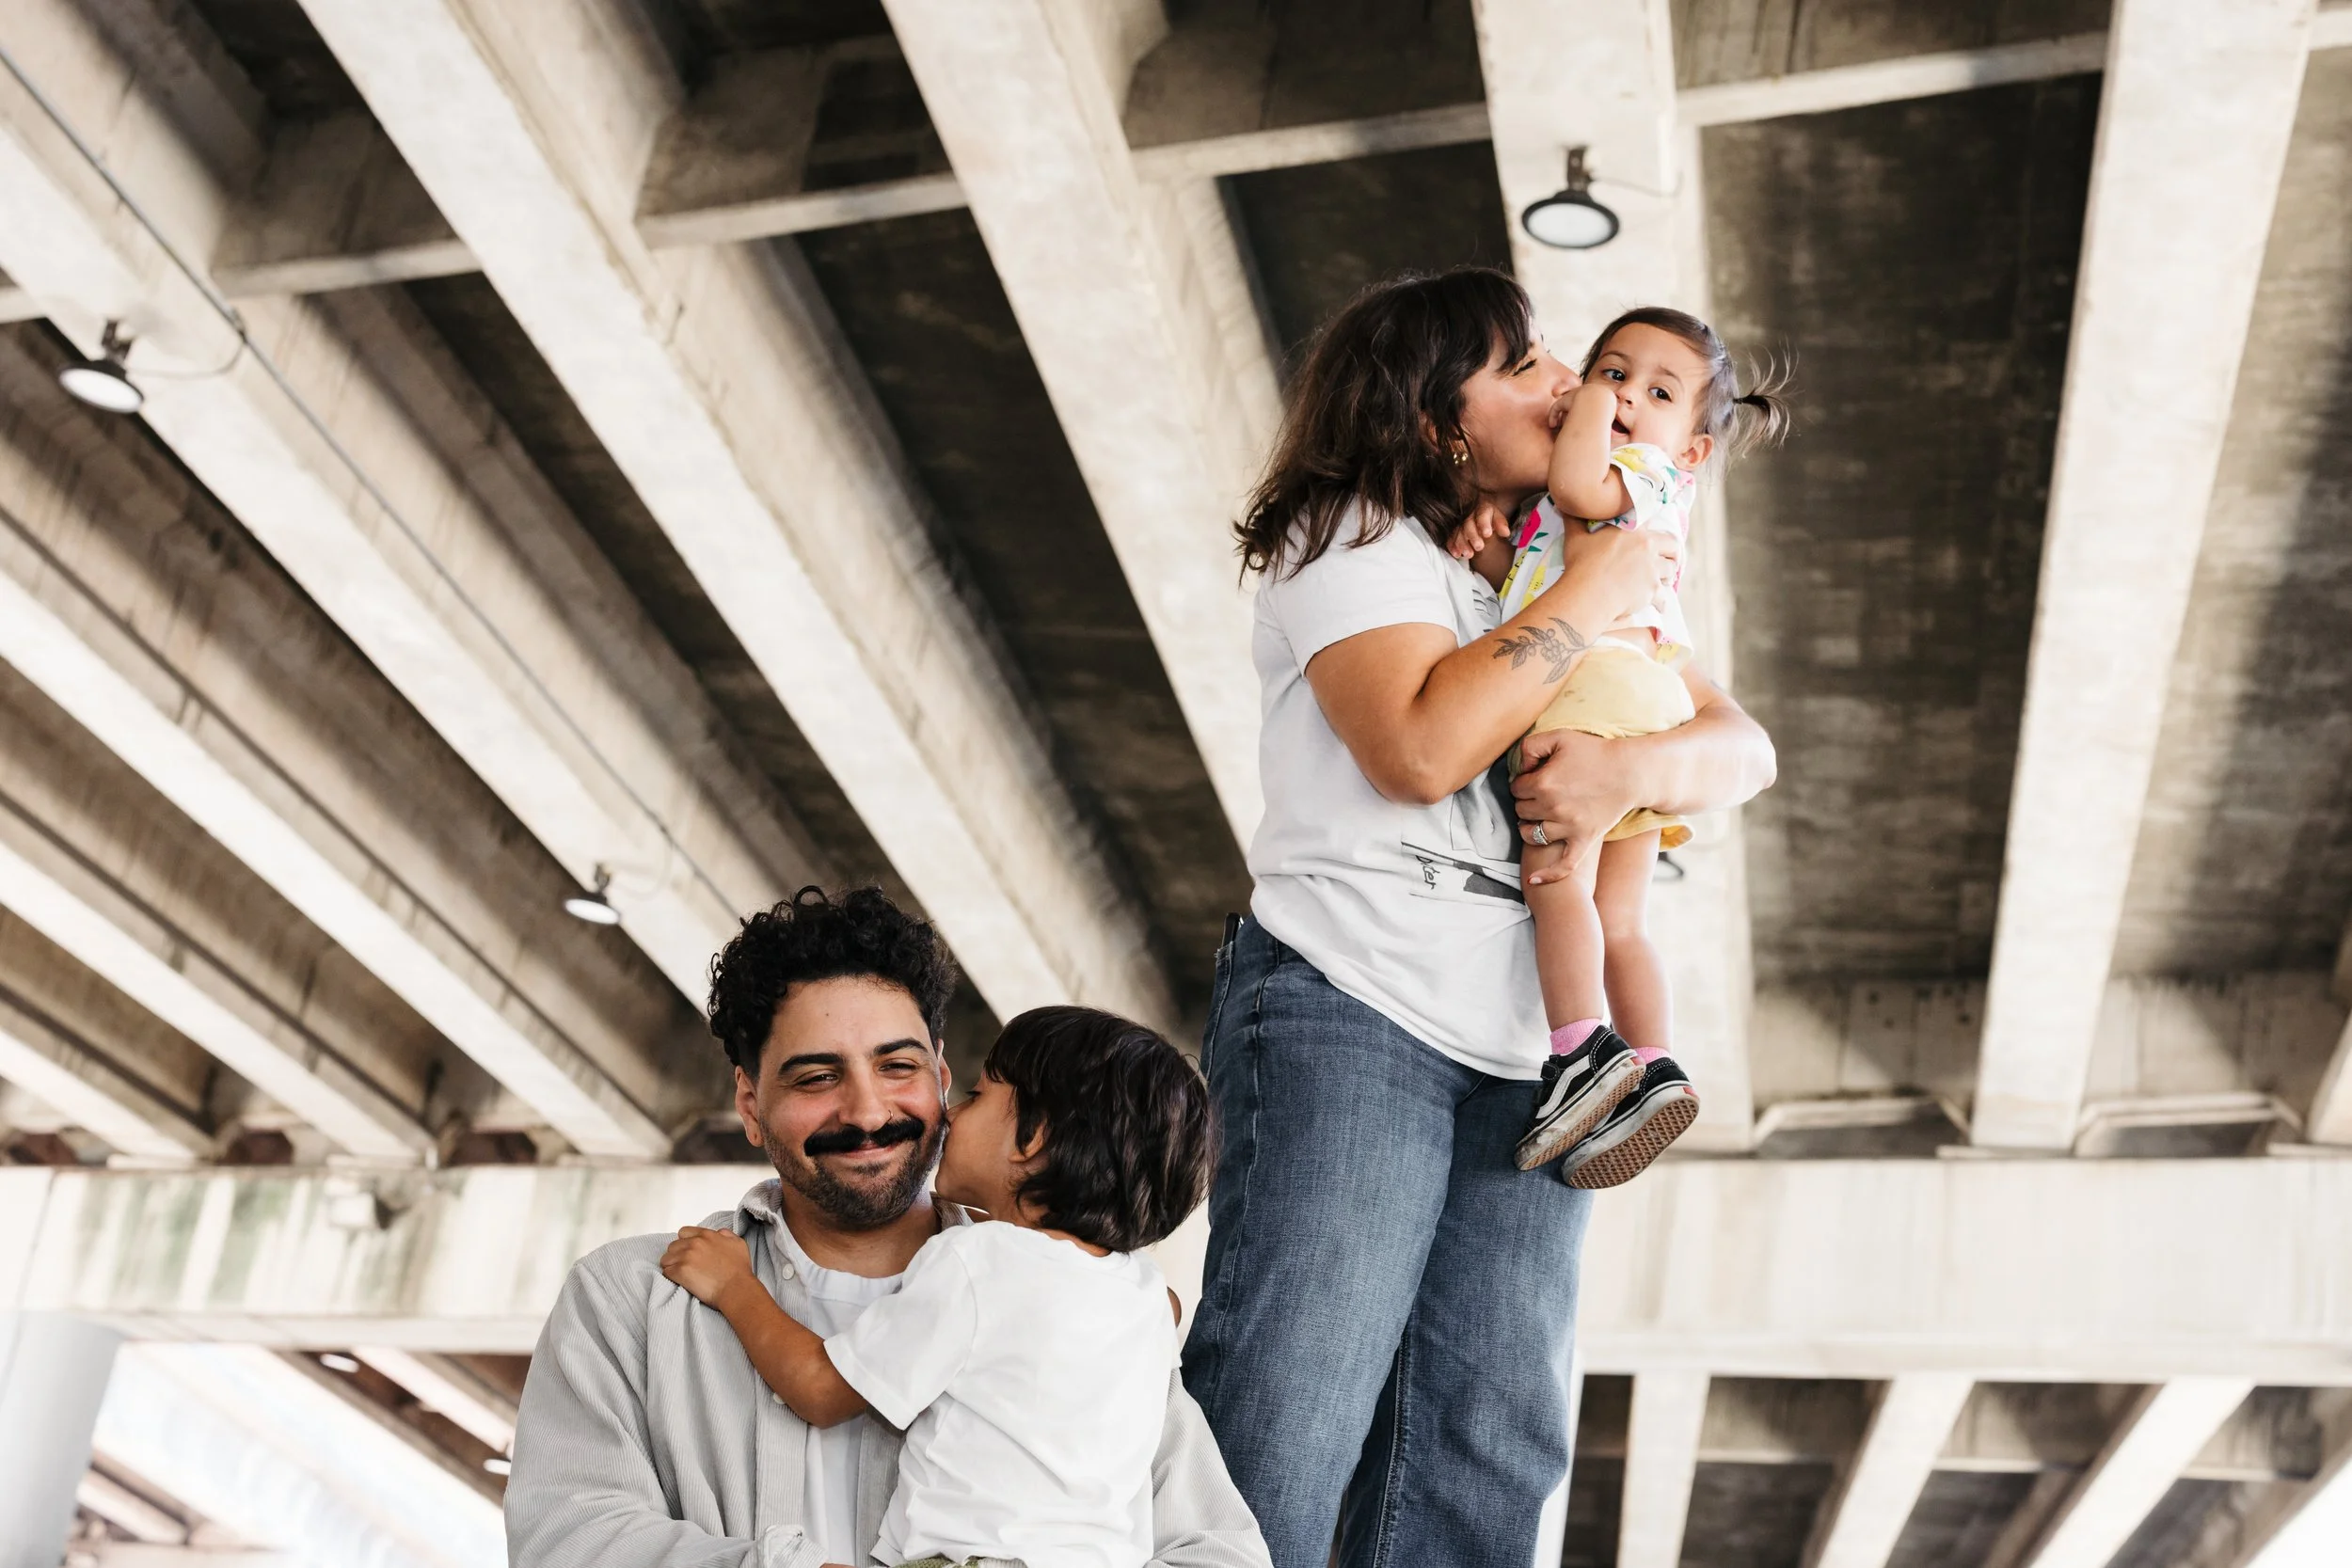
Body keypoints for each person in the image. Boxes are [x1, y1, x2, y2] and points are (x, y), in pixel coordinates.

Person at [1181, 268, 1776, 1568]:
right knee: (1288, 1411)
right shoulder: (1351, 537)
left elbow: (1742, 749)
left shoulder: (1541, 576)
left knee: (1489, 1452)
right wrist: (1600, 583)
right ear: (1439, 418)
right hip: (1353, 1005)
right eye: (1526, 366)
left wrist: (1629, 767)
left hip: (1533, 1059)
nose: (1574, 385)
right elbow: (1418, 746)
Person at [505, 886, 1269, 1568]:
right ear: (748, 1103)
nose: (868, 1112)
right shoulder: (630, 1302)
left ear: (941, 1077)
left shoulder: (1057, 1312)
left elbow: (1221, 1553)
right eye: (816, 1076)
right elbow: (567, 1538)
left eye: (898, 1067)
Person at [659, 1004, 1216, 1568]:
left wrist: (734, 1285)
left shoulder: (979, 1261)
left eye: (977, 1096)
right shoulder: (1149, 1295)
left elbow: (820, 1391)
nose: (950, 1114)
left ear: (1033, 1139)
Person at [1481, 306, 1790, 1187]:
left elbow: (1577, 492)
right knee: (1621, 917)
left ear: (1690, 450)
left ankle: (1581, 1050)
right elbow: (1533, 567)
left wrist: (1586, 412)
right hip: (1645, 694)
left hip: (1593, 682)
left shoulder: (1641, 474)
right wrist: (1490, 545)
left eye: (1656, 391)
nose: (1621, 396)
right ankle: (1653, 1065)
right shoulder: (1639, 482)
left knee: (1555, 884)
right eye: (1612, 371)